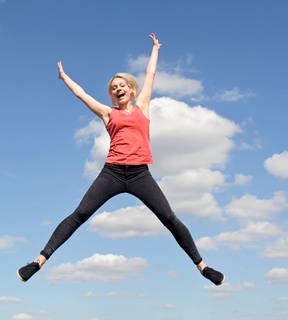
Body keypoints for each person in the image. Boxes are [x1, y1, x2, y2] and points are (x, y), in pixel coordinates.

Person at [17, 33, 224, 286]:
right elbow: (82, 95)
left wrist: (155, 49)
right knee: (80, 213)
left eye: (121, 86)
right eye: (114, 88)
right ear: (112, 95)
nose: (117, 89)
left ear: (131, 89)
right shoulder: (107, 114)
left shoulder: (143, 106)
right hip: (112, 173)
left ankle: (203, 267)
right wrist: (64, 78)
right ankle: (38, 261)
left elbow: (151, 76)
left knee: (169, 218)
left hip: (140, 174)